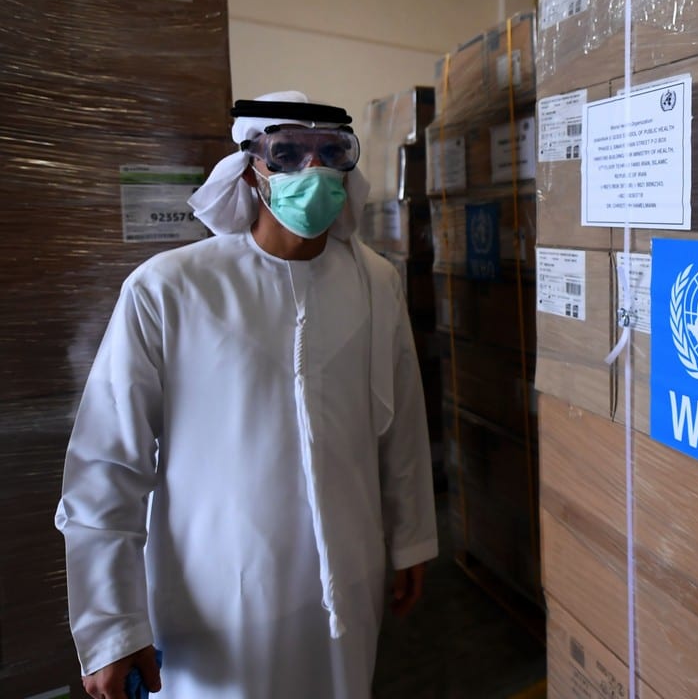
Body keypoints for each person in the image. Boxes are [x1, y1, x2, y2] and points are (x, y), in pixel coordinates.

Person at [54, 91, 438, 698]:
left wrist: (412, 535)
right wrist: (112, 625)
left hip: (346, 581)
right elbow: (108, 463)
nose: (312, 171)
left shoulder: (375, 283)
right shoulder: (170, 288)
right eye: (287, 154)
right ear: (249, 168)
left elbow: (404, 423)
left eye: (330, 152)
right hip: (215, 597)